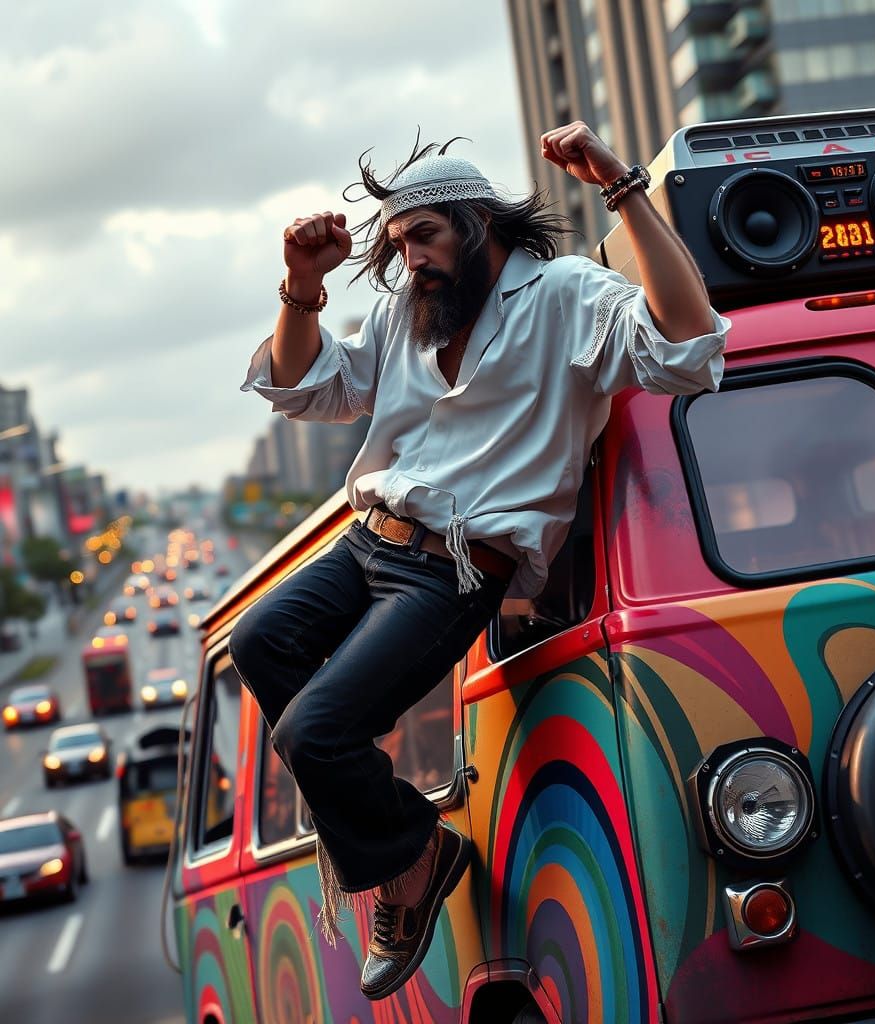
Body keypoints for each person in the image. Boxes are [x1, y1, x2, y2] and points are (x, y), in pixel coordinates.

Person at [230, 120, 729, 1001]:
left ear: (477, 223)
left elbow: (689, 349)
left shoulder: (569, 297)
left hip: (458, 566)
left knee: (313, 731)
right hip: (367, 544)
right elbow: (306, 389)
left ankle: (406, 857)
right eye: (396, 244)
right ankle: (411, 847)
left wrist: (621, 185)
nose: (409, 258)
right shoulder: (403, 316)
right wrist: (302, 287)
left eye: (423, 235)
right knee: (259, 640)